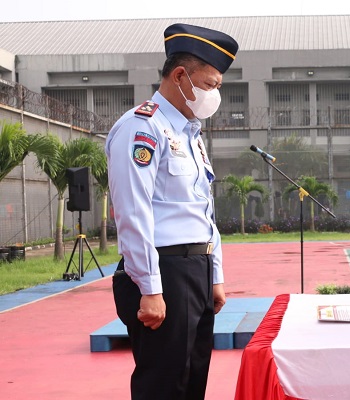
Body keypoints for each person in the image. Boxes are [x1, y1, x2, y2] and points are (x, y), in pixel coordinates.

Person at [105, 23, 238, 400]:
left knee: (193, 380)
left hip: (194, 271)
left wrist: (215, 274)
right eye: (210, 85)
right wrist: (150, 287)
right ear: (180, 76)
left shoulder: (188, 134)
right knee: (164, 385)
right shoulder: (141, 128)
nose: (214, 94)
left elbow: (202, 211)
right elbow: (133, 212)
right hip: (162, 272)